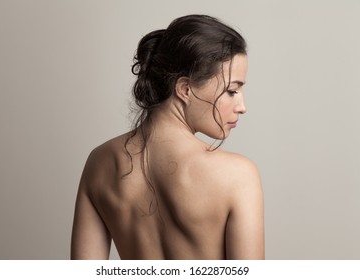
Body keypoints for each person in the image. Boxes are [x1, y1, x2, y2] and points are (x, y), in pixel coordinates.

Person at [71, 14, 264, 260]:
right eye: (231, 91)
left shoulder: (99, 162)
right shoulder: (238, 174)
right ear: (185, 89)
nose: (242, 106)